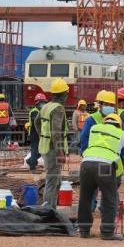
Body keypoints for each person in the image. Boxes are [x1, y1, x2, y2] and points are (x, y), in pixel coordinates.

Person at [78, 113, 124, 240]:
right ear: (119, 125)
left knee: (85, 197)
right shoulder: (122, 134)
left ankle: (84, 230)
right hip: (105, 166)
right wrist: (116, 179)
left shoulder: (94, 128)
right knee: (109, 198)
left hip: (86, 163)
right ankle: (107, 232)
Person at [35, 78, 69, 207]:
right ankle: (48, 210)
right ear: (63, 94)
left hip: (45, 147)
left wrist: (43, 137)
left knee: (55, 180)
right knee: (52, 181)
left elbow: (36, 122)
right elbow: (56, 133)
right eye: (66, 93)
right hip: (53, 150)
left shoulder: (47, 106)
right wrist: (60, 152)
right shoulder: (58, 108)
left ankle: (50, 208)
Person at [26, 93, 48, 171]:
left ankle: (29, 161)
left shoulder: (43, 111)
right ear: (36, 103)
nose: (42, 104)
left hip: (40, 134)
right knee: (35, 150)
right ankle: (32, 167)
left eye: (43, 102)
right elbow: (36, 123)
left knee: (40, 151)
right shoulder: (34, 112)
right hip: (34, 134)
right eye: (40, 102)